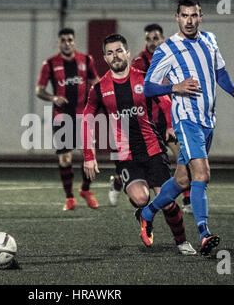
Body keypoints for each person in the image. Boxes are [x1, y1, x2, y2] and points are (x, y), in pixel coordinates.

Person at [141, 0, 234, 256]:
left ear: (201, 17)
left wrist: (233, 92)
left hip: (207, 120)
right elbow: (148, 87)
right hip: (186, 119)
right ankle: (204, 233)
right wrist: (173, 87)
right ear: (176, 17)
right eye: (184, 15)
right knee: (201, 174)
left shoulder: (210, 40)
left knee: (181, 179)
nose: (189, 20)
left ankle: (146, 213)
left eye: (194, 15)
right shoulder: (167, 49)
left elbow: (219, 71)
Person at [82, 33, 196, 255]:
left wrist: (171, 125)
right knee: (140, 197)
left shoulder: (145, 79)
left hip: (153, 149)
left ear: (127, 53)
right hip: (125, 155)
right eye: (109, 53)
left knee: (167, 202)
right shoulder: (99, 89)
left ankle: (181, 241)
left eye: (118, 51)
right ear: (104, 58)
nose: (115, 56)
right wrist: (89, 155)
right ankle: (143, 214)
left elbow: (165, 102)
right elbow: (87, 120)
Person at [108, 24, 192, 213]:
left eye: (155, 38)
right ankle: (118, 181)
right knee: (136, 163)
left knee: (183, 158)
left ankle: (187, 200)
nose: (152, 42)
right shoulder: (138, 62)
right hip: (145, 124)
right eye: (149, 39)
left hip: (167, 121)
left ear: (163, 38)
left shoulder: (173, 60)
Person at [36, 28, 100, 211]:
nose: (67, 43)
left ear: (74, 41)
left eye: (70, 39)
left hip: (83, 116)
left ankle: (85, 190)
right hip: (62, 117)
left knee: (91, 156)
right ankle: (70, 197)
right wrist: (53, 98)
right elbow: (39, 90)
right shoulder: (49, 64)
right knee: (65, 159)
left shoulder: (86, 60)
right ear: (59, 42)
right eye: (63, 40)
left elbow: (96, 82)